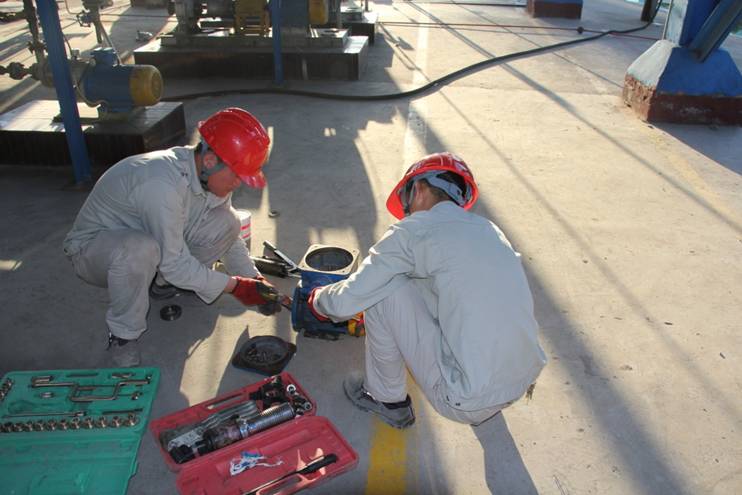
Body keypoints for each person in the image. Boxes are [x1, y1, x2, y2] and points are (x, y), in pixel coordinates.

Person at [308, 152, 547, 428]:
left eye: (407, 204)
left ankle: (387, 400)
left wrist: (318, 300)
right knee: (431, 282)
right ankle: (486, 379)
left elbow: (342, 305)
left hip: (465, 401)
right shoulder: (489, 230)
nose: (407, 213)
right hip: (520, 381)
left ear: (418, 189)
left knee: (381, 292)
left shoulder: (413, 231)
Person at [63, 107, 282, 367]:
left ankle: (166, 284)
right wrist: (236, 287)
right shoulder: (161, 182)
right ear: (210, 160)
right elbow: (174, 262)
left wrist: (253, 280)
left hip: (153, 238)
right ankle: (123, 334)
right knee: (140, 250)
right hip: (94, 251)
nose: (239, 183)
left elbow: (231, 239)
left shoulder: (210, 176)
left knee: (228, 222)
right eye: (237, 175)